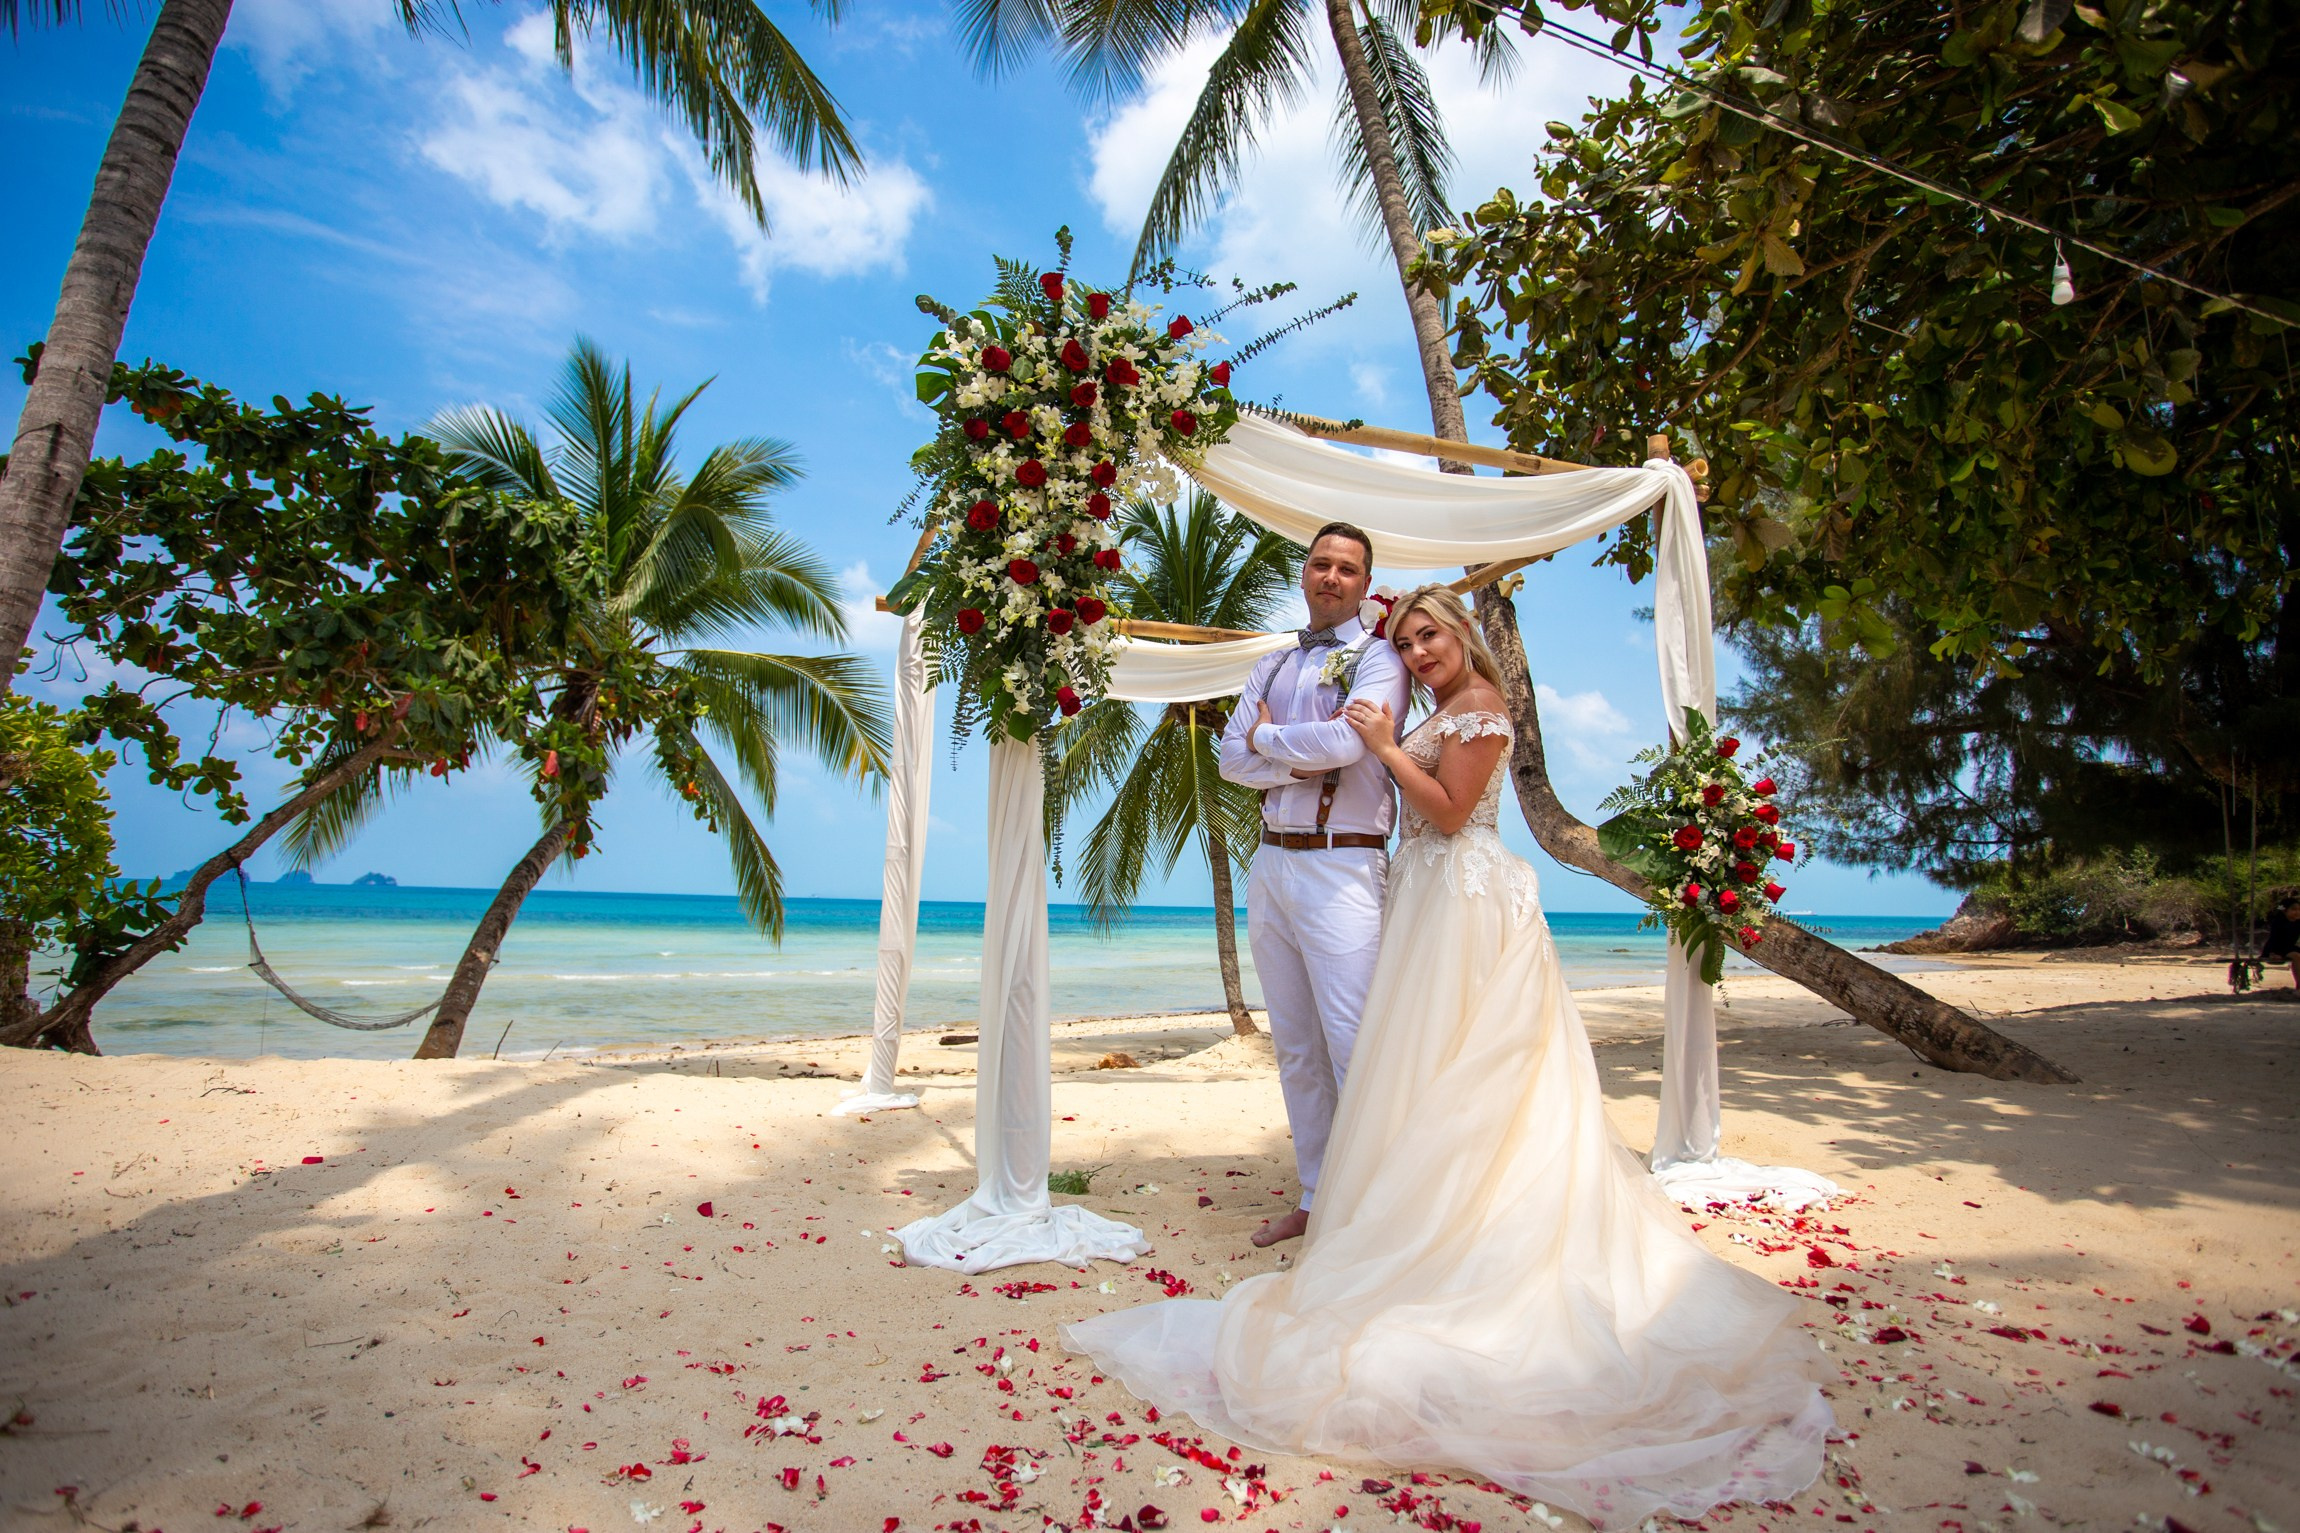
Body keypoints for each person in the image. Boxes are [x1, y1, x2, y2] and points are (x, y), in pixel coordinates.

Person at [1068, 586, 1831, 1527]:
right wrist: (1369, 734)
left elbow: (1450, 808)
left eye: (1429, 634)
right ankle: (1424, 1209)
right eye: (1406, 641)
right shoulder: (1441, 706)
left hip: (1467, 900)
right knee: (1431, 1072)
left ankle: (1470, 1227)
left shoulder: (1480, 708)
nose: (1419, 651)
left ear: (1462, 632)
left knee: (1477, 1071)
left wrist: (1385, 747)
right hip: (1429, 895)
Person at [1214, 522, 1409, 1249]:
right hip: (1271, 863)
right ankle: (1316, 1197)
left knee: (1353, 1041)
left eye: (1347, 569)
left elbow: (1348, 743)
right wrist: (1288, 755)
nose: (1332, 576)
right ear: (1304, 573)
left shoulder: (1381, 658)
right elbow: (1229, 760)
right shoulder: (1271, 663)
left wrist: (1268, 741)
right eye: (1321, 563)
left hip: (1344, 865)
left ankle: (1376, 1210)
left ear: (1365, 584)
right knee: (1295, 1044)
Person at [2263, 891, 2300, 989]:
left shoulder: (2298, 923)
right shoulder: (2279, 922)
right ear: (2285, 911)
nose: (2297, 912)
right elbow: (2274, 939)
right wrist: (2272, 953)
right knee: (2296, 956)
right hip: (2277, 949)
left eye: (2299, 909)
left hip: (2290, 948)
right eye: (2294, 909)